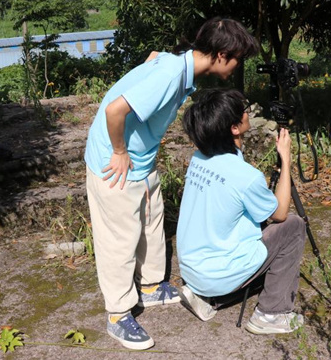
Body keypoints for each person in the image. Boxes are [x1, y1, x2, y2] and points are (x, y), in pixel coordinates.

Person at [84, 18, 259, 350]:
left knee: (151, 220)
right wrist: (119, 151)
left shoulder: (178, 64)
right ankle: (118, 314)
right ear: (222, 55)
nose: (239, 66)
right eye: (238, 58)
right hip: (115, 161)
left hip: (142, 157)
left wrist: (145, 71)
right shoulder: (170, 74)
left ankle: (150, 286)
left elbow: (153, 58)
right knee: (120, 240)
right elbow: (114, 110)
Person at [176, 88, 306, 334]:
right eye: (244, 111)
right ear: (234, 128)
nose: (248, 113)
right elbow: (278, 214)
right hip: (217, 273)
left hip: (192, 270)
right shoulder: (246, 177)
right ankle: (271, 314)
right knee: (293, 226)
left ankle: (210, 299)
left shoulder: (198, 158)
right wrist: (286, 160)